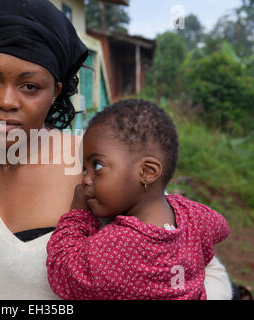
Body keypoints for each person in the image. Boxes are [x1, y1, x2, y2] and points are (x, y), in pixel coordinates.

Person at [0, 0, 233, 300]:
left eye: (30, 86)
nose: (6, 101)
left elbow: (206, 273)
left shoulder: (100, 167)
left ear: (54, 93)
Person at [46, 99, 230, 300]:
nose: (85, 179)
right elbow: (221, 227)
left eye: (97, 166)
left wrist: (77, 217)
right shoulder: (193, 216)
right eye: (84, 169)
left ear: (147, 172)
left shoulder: (121, 243)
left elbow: (63, 272)